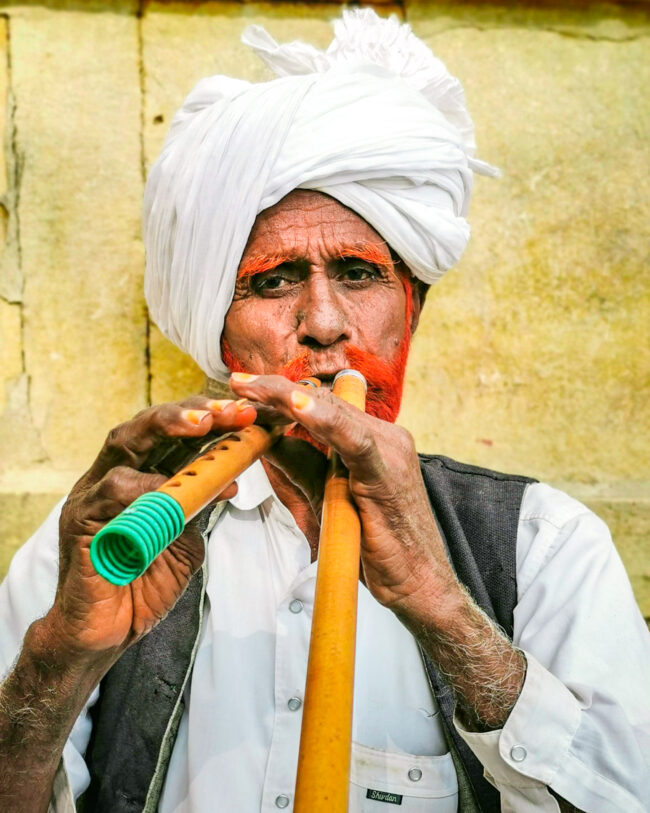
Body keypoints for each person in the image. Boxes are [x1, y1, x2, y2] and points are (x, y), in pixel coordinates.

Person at [0, 10, 648, 813]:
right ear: (219, 329)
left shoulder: (546, 544)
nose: (325, 323)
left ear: (410, 310)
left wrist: (442, 606)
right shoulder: (100, 542)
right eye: (272, 280)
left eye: (358, 273)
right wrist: (55, 663)